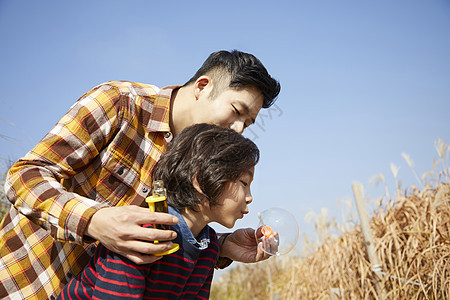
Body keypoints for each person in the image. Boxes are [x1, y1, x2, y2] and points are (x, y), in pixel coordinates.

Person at [0, 50, 280, 299]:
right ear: (203, 87)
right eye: (236, 111)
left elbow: (168, 232)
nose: (239, 129)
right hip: (26, 283)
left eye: (248, 122)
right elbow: (24, 176)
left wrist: (222, 245)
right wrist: (94, 221)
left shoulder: (198, 159)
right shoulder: (119, 102)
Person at [58, 123, 261, 299]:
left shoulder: (208, 248)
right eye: (244, 183)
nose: (249, 197)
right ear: (200, 179)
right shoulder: (142, 232)